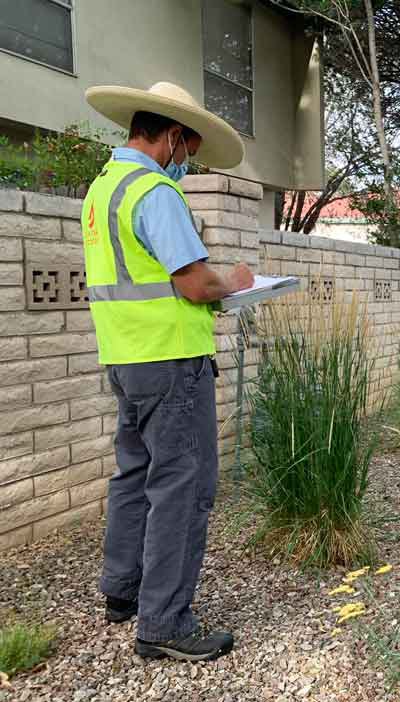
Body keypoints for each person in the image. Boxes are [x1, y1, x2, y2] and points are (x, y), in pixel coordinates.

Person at [80, 81, 253, 662]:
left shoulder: (102, 190)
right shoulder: (154, 192)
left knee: (133, 475)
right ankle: (164, 623)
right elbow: (195, 282)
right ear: (173, 137)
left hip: (126, 360)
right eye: (190, 149)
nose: (189, 162)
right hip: (173, 361)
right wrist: (236, 282)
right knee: (183, 487)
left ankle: (122, 592)